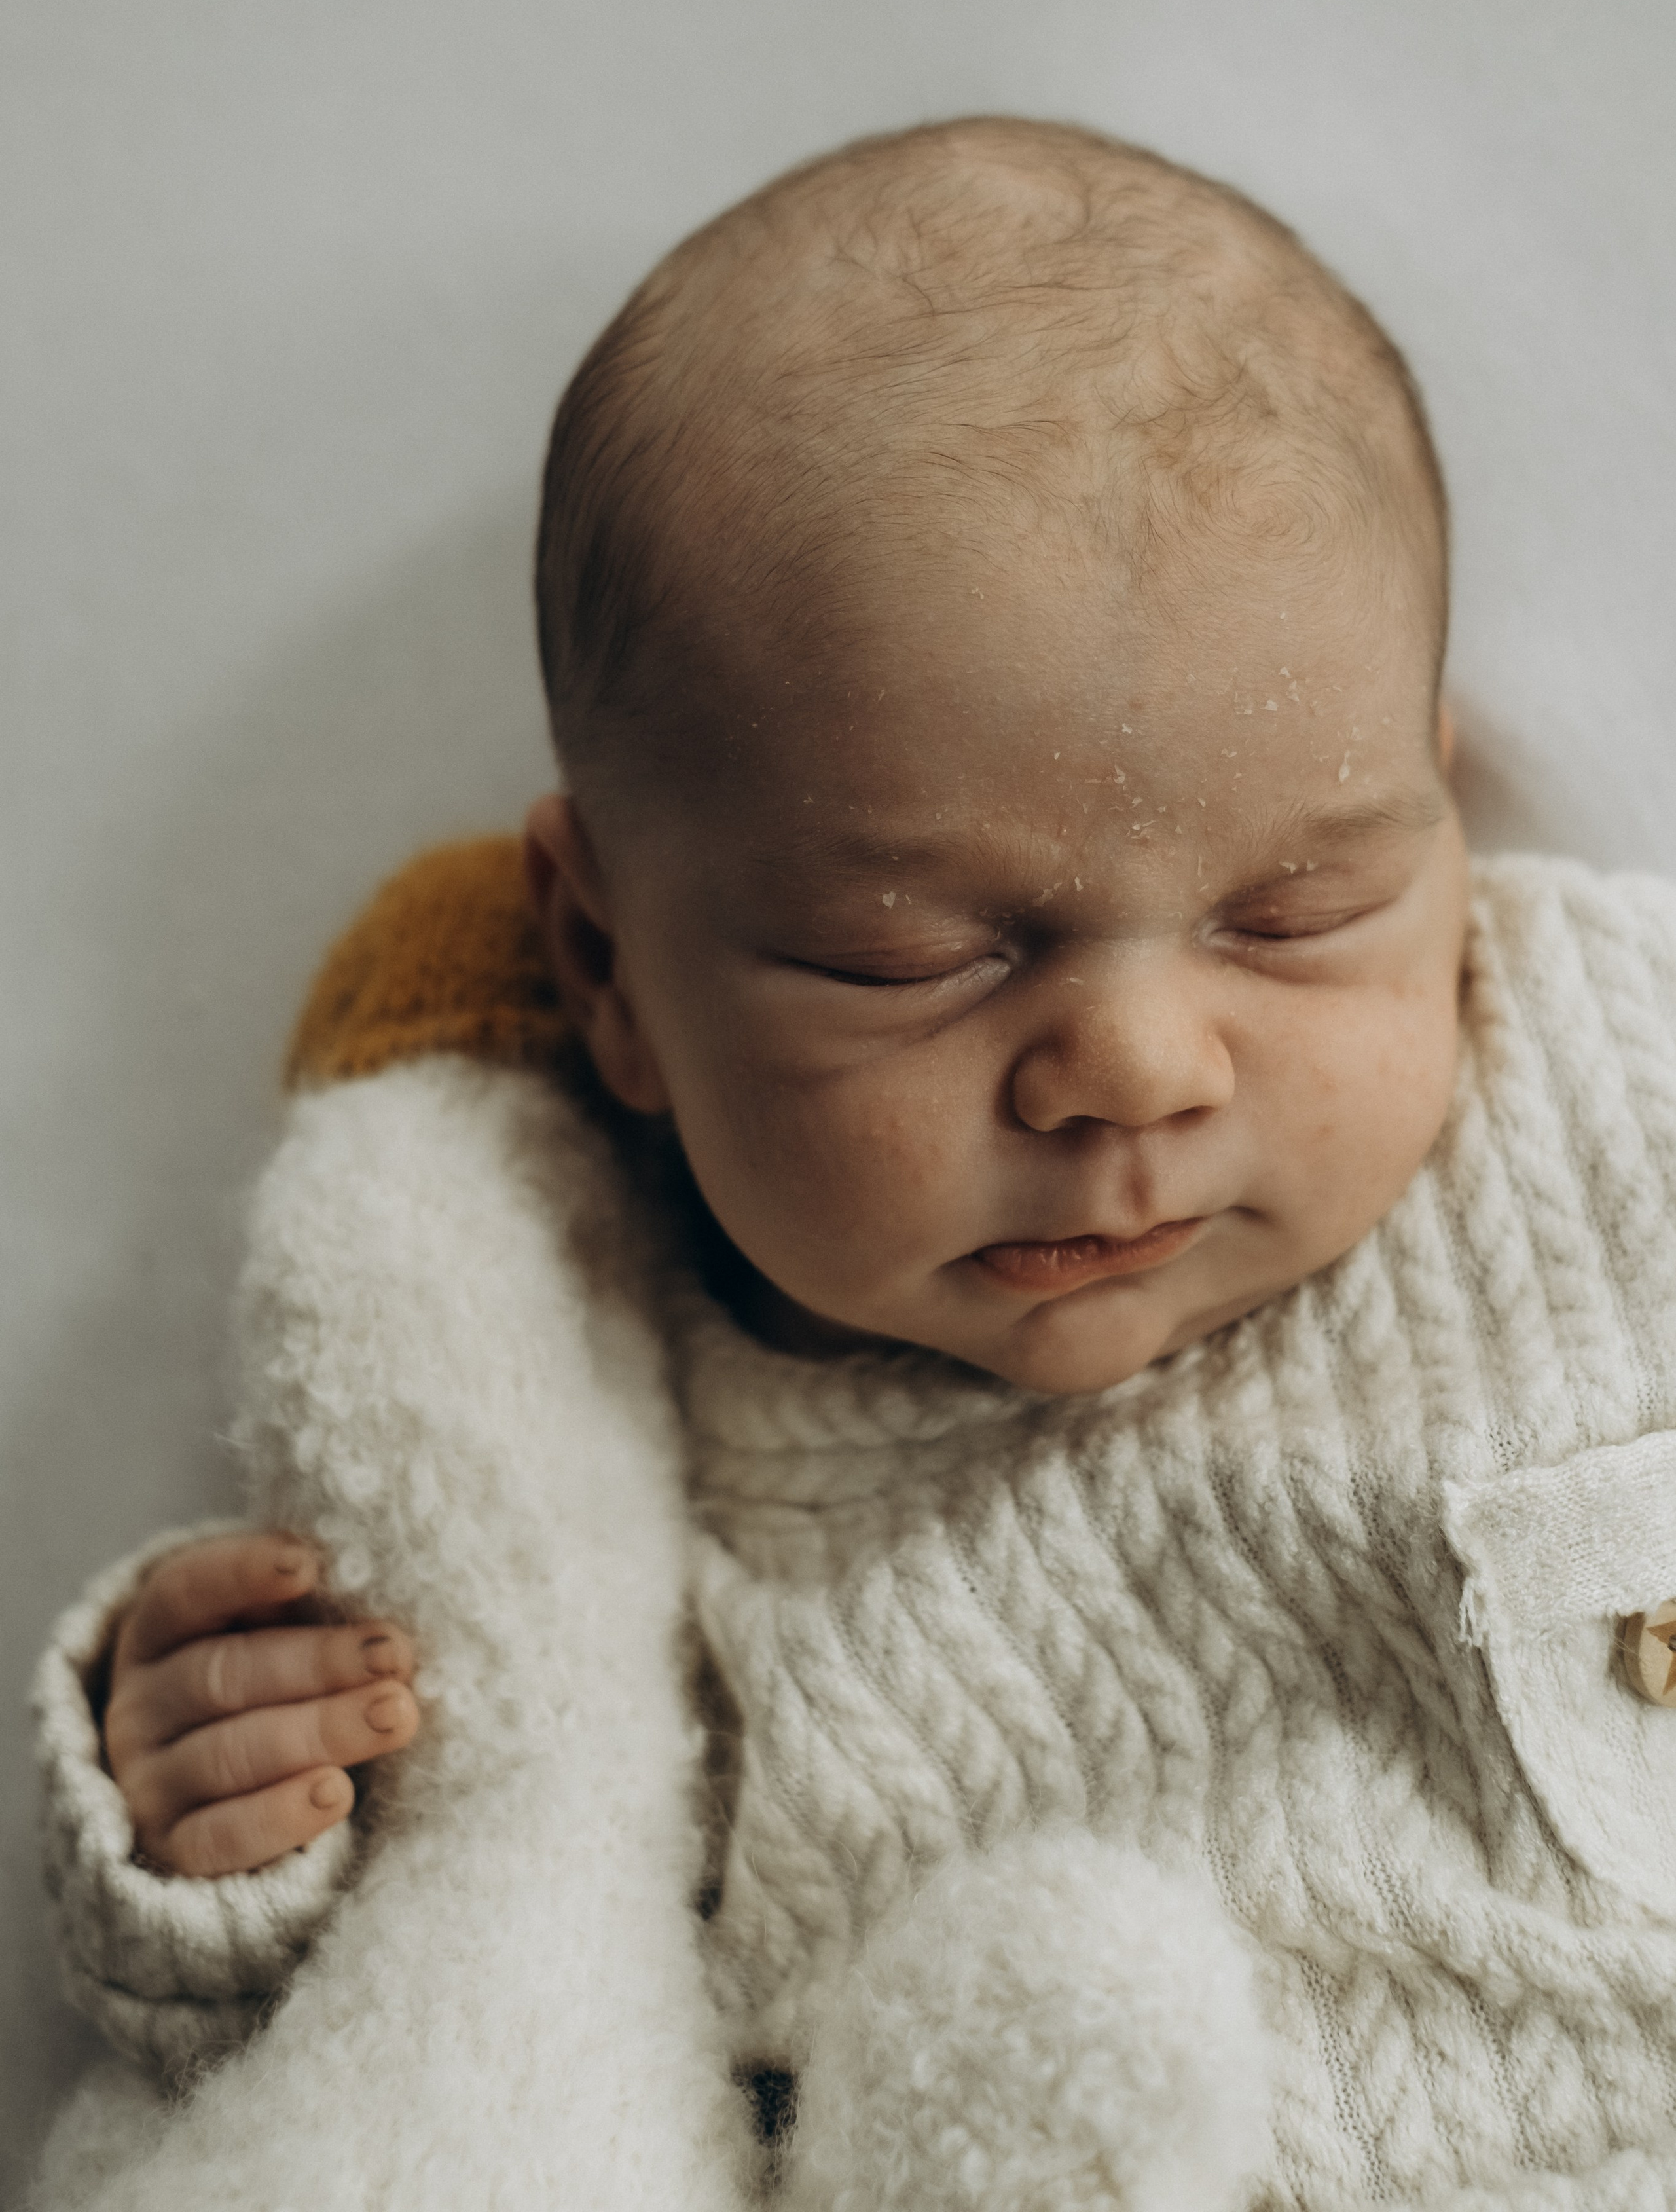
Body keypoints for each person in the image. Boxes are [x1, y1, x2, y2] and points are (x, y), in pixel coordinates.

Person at [29, 119, 1676, 2211]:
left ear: (1440, 824)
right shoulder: (580, 1415)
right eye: (923, 958)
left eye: (1297, 911)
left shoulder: (1613, 1087)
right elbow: (443, 2032)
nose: (1134, 1072)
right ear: (606, 961)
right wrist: (226, 1836)